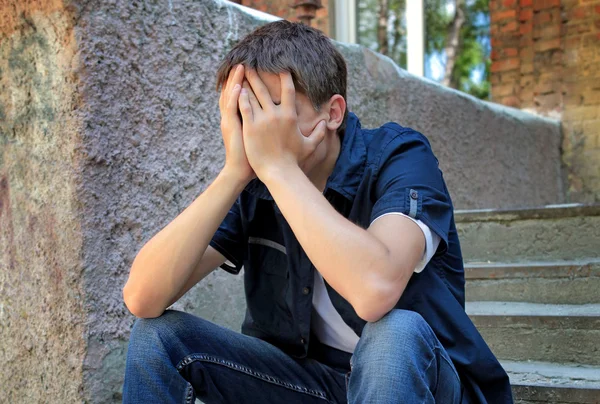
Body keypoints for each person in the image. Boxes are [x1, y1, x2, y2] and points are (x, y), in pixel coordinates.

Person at [122, 20, 513, 404]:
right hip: (310, 384)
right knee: (158, 337)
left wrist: (279, 169)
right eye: (244, 112)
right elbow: (142, 298)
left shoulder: (397, 155)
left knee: (393, 333)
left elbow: (375, 291)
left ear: (333, 113)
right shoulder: (254, 183)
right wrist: (233, 173)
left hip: (421, 382)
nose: (257, 128)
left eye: (273, 107)